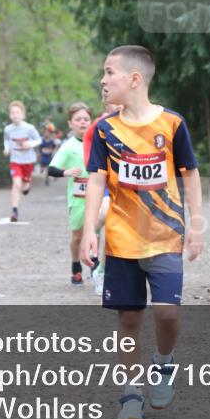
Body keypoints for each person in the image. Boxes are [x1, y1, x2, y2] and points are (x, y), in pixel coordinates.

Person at [80, 45, 204, 419]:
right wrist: (89, 231)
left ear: (135, 79)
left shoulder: (171, 124)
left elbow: (190, 173)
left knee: (167, 313)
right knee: (129, 319)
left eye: (110, 72)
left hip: (165, 236)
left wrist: (196, 224)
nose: (103, 80)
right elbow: (97, 180)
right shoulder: (104, 129)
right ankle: (130, 392)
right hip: (121, 240)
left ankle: (163, 363)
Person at [46, 102, 100, 286]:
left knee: (96, 230)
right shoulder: (68, 146)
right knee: (77, 235)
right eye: (78, 119)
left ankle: (95, 265)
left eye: (86, 119)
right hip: (78, 199)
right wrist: (66, 172)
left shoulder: (98, 142)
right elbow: (51, 169)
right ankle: (76, 266)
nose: (83, 122)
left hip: (97, 195)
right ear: (70, 124)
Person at [82, 99, 122, 295]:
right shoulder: (98, 128)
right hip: (105, 182)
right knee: (105, 215)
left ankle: (102, 270)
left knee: (116, 232)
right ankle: (90, 238)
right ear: (105, 105)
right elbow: (91, 163)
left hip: (130, 187)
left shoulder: (140, 123)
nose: (118, 106)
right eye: (113, 103)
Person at [2, 100, 41, 222]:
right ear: (10, 115)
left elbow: (39, 140)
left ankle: (27, 186)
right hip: (15, 161)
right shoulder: (8, 129)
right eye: (12, 112)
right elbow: (7, 140)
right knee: (16, 184)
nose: (15, 115)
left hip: (28, 161)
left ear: (23, 115)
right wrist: (7, 149)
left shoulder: (29, 128)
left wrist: (29, 144)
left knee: (24, 188)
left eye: (17, 112)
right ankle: (14, 211)